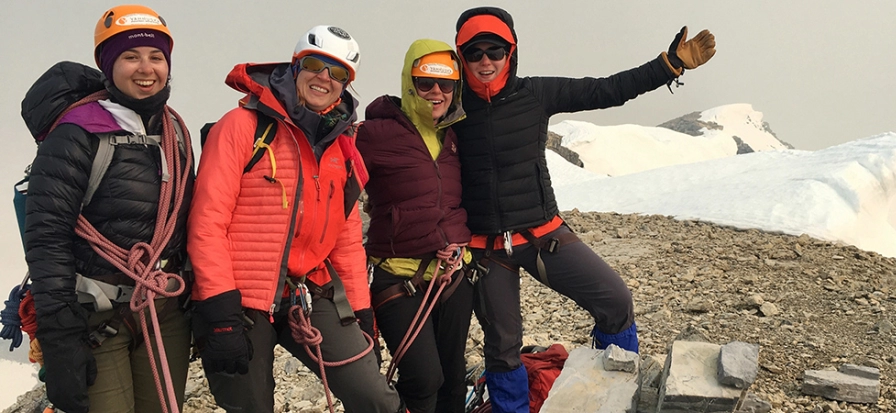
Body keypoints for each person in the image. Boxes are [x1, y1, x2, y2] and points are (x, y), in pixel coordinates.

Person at [451, 7, 716, 412]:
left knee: (615, 302)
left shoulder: (536, 93)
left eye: (496, 50)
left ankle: (610, 396)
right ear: (460, 56)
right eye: (474, 52)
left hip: (543, 235)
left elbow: (606, 90)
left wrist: (669, 65)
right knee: (502, 347)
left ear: (512, 51)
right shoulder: (448, 107)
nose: (485, 61)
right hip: (485, 251)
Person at [187, 26, 404, 413]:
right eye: (316, 65)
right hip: (241, 299)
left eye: (339, 74)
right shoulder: (241, 127)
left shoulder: (341, 147)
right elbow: (207, 223)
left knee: (376, 399)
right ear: (295, 66)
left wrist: (360, 311)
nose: (325, 78)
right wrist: (220, 311)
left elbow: (346, 240)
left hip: (308, 291)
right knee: (251, 405)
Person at [23, 5, 194, 413]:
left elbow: (185, 221)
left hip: (163, 309)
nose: (146, 68)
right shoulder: (75, 134)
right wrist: (60, 335)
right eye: (130, 57)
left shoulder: (176, 132)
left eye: (157, 57)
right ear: (107, 64)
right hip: (95, 315)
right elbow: (47, 237)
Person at [355, 39, 473, 413]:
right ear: (409, 81)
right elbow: (332, 190)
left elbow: (454, 202)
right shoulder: (374, 134)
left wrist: (455, 240)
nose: (436, 93)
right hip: (399, 279)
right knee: (423, 379)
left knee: (453, 377)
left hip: (452, 276)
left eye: (446, 85)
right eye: (425, 83)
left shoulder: (454, 136)